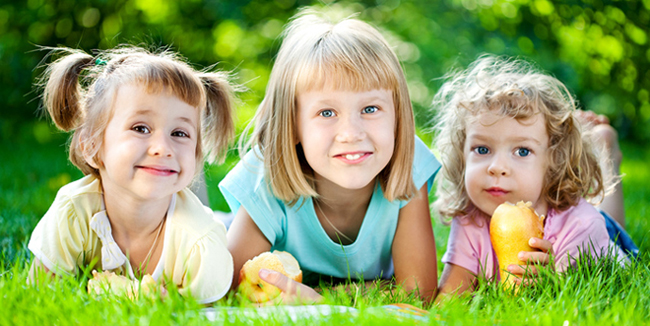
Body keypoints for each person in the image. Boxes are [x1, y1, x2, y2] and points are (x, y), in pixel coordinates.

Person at [219, 10, 440, 303]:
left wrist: (321, 297)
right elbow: (229, 292)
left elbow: (417, 293)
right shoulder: (265, 177)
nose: (351, 132)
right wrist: (375, 290)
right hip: (225, 229)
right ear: (292, 125)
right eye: (327, 113)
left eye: (370, 109)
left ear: (398, 117)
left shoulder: (409, 164)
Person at [28, 46, 235, 304]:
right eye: (141, 128)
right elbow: (39, 298)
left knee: (227, 224)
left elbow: (212, 312)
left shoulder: (201, 244)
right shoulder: (73, 212)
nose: (163, 148)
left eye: (179, 133)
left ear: (196, 155)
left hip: (215, 225)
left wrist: (172, 304)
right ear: (91, 145)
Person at [431, 55, 635, 299]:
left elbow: (587, 296)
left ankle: (606, 151)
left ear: (552, 161)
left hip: (600, 235)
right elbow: (450, 295)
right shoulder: (469, 218)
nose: (497, 168)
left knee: (610, 218)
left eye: (522, 151)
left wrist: (550, 280)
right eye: (482, 149)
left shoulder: (582, 225)